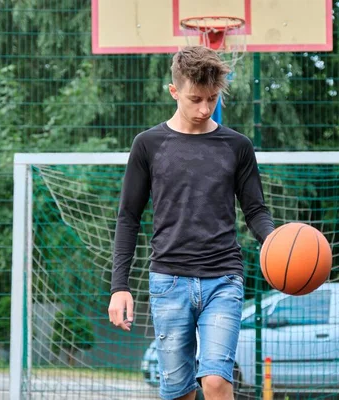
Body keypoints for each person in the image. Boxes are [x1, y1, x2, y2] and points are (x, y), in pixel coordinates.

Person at [108, 45, 274, 400]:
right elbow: (128, 218)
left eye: (212, 99)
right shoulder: (148, 145)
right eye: (195, 98)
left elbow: (256, 211)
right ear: (174, 92)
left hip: (223, 280)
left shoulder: (237, 146)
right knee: (179, 392)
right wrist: (119, 286)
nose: (204, 108)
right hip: (168, 282)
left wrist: (275, 241)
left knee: (215, 381)